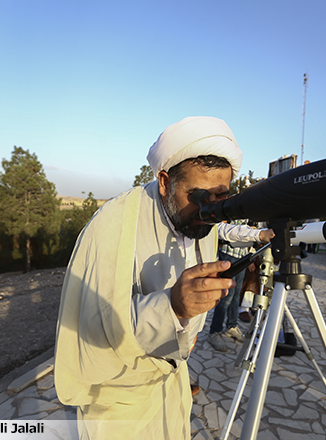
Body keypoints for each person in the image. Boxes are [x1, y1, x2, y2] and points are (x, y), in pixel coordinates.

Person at [54, 116, 245, 439]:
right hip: (120, 401)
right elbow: (94, 325)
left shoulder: (204, 223)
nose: (209, 210)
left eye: (220, 196)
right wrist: (171, 307)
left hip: (172, 387)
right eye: (199, 197)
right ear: (164, 182)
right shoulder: (113, 223)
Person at [208, 220, 274, 351]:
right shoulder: (235, 204)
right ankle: (215, 331)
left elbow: (252, 229)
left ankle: (232, 326)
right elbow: (224, 228)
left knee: (237, 294)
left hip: (243, 256)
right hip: (228, 253)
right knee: (226, 296)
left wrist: (251, 255)